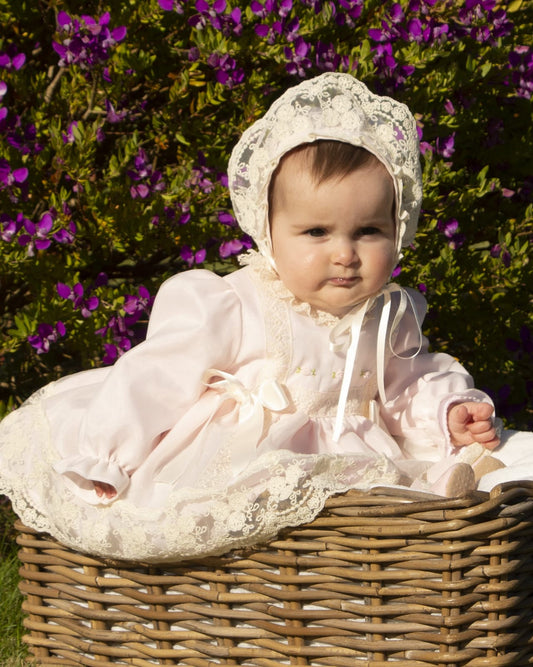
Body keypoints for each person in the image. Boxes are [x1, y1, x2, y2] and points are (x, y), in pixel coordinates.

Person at [0, 73, 530, 562]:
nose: (345, 253)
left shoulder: (388, 313)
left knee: (389, 515)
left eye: (368, 231)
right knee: (233, 526)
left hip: (355, 474)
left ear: (400, 229)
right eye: (316, 232)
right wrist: (110, 455)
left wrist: (447, 411)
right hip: (248, 459)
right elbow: (157, 375)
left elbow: (410, 384)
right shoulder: (234, 302)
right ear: (268, 230)